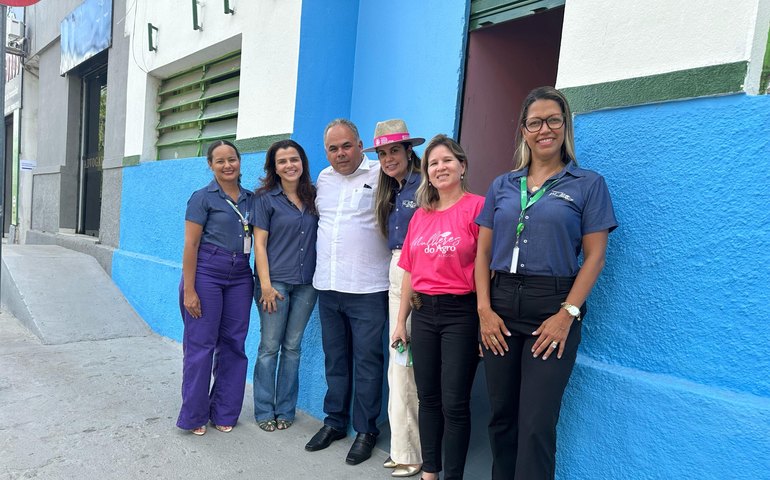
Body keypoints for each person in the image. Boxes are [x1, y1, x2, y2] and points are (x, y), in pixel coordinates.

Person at [475, 86, 618, 479]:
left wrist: (566, 315)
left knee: (536, 423)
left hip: (551, 307)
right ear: (524, 130)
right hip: (501, 304)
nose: (545, 129)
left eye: (553, 120)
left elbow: (595, 257)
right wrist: (484, 310)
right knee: (501, 417)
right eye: (535, 122)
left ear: (565, 126)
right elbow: (482, 255)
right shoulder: (502, 185)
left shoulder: (587, 184)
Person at [392, 134, 485, 480]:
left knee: (455, 403)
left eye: (447, 160)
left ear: (462, 166)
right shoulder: (421, 215)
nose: (440, 167)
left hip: (461, 313)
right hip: (424, 314)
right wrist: (402, 321)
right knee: (427, 399)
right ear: (427, 172)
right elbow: (409, 274)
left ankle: (453, 476)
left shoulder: (478, 208)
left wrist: (482, 320)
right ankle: (430, 472)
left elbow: (486, 268)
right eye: (433, 163)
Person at [304, 119, 391, 466]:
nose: (340, 154)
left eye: (346, 146)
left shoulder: (381, 174)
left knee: (368, 363)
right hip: (328, 287)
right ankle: (334, 422)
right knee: (335, 360)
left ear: (359, 145)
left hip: (368, 288)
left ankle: (367, 430)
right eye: (332, 148)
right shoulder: (322, 180)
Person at [177, 140, 254, 436]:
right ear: (210, 165)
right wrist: (190, 290)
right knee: (201, 345)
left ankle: (224, 410)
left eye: (232, 159)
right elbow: (191, 244)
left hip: (240, 276)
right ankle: (194, 414)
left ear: (239, 161)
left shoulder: (251, 199)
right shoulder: (202, 198)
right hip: (208, 271)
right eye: (220, 161)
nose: (227, 165)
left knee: (234, 344)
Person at [364, 119, 424, 478]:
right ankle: (403, 447)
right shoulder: (393, 190)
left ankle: (411, 453)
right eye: (383, 153)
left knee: (405, 364)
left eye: (394, 151)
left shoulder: (424, 186)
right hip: (397, 267)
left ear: (408, 151)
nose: (388, 158)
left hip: (416, 271)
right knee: (399, 360)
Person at [251, 139, 319, 432]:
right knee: (269, 347)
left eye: (294, 159)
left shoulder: (314, 196)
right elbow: (260, 244)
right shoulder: (264, 199)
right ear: (274, 168)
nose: (289, 165)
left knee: (293, 348)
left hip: (307, 284)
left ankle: (286, 409)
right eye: (282, 161)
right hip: (274, 283)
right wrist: (265, 285)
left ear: (302, 162)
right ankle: (265, 408)